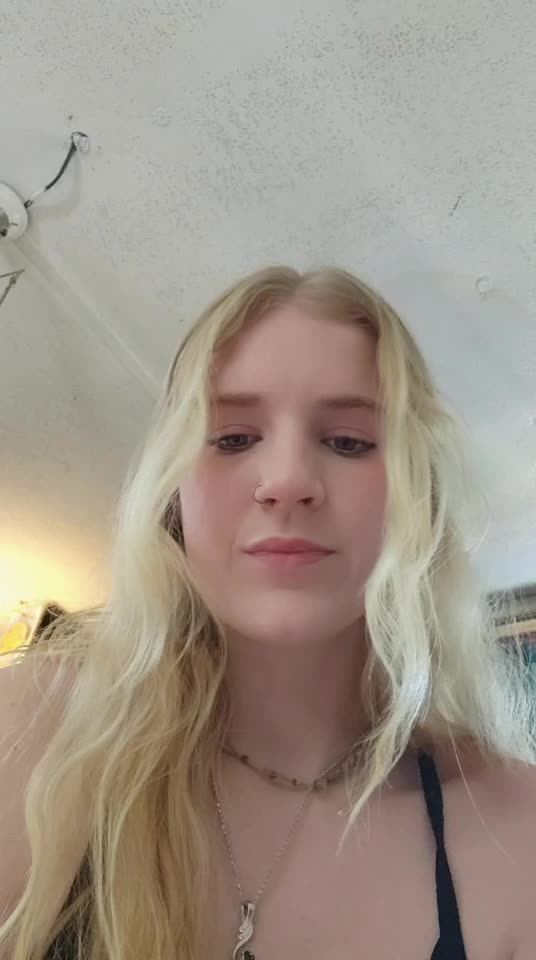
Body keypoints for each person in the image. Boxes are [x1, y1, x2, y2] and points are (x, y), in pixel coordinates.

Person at [1, 265, 535, 960]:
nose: (286, 481)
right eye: (232, 439)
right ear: (173, 495)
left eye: (348, 442)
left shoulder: (516, 829)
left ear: (418, 500)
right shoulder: (38, 731)